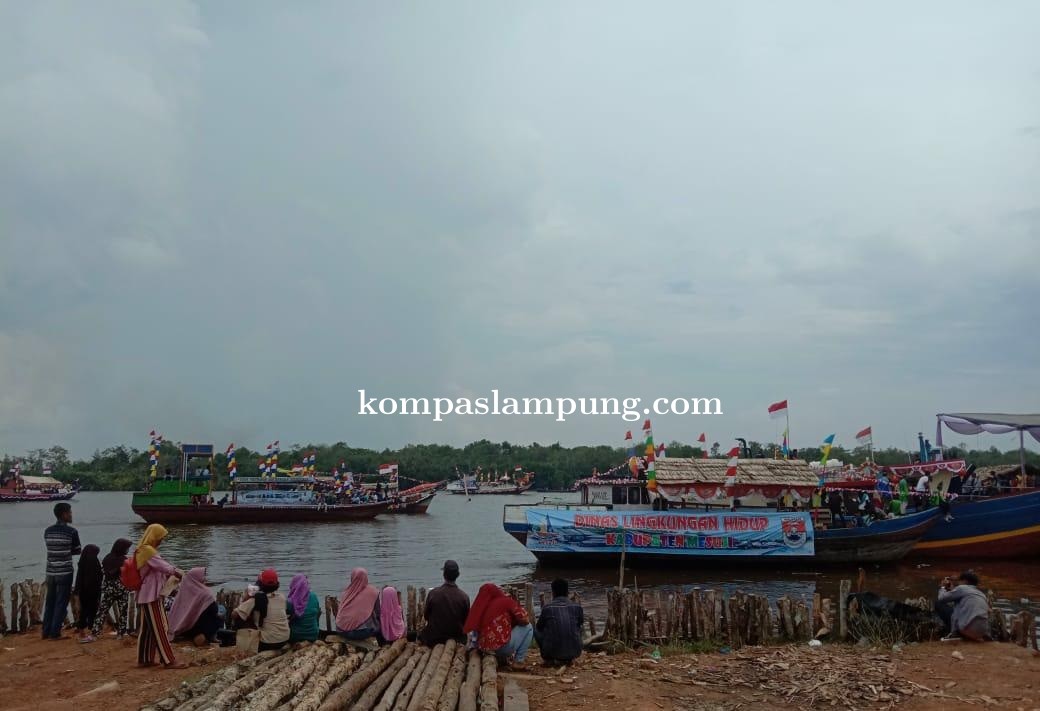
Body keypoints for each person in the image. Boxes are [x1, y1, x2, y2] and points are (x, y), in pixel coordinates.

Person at [135, 524, 186, 668]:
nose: (161, 540)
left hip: (146, 594)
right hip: (151, 595)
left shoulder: (143, 549)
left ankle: (145, 659)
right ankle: (169, 660)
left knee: (148, 629)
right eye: (161, 537)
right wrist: (178, 572)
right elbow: (165, 567)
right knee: (160, 627)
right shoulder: (148, 551)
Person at [464, 584, 533, 667]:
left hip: (483, 649)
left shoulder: (480, 608)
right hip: (501, 649)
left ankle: (502, 659)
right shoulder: (506, 601)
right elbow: (525, 620)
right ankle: (518, 661)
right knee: (528, 627)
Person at [42, 502, 82, 640]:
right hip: (65, 571)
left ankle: (45, 631)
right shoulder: (72, 531)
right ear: (64, 514)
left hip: (50, 571)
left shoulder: (47, 531)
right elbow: (77, 550)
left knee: (50, 601)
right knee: (61, 602)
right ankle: (55, 633)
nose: (71, 515)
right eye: (70, 512)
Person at [233, 569, 290, 651]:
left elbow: (234, 615)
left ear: (260, 585)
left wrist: (246, 598)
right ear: (277, 584)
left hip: (267, 643)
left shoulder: (255, 600)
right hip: (284, 639)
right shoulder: (282, 597)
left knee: (241, 618)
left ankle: (243, 645)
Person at [420, 560, 470, 646]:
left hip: (434, 639)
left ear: (444, 575)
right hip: (457, 639)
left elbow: (426, 616)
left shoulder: (433, 593)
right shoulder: (464, 597)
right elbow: (466, 622)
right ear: (457, 575)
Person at [534, 578, 584, 666]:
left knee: (535, 629)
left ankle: (548, 659)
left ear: (553, 592)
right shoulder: (577, 607)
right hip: (575, 652)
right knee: (579, 627)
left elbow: (539, 628)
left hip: (551, 652)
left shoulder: (547, 608)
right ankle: (569, 657)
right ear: (567, 592)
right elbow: (580, 624)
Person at [167, 567, 220, 645]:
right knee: (218, 619)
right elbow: (214, 609)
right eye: (203, 576)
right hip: (201, 627)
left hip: (184, 627)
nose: (204, 579)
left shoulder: (183, 592)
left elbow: (176, 611)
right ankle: (206, 636)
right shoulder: (206, 593)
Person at [92, 538, 132, 639]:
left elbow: (104, 572)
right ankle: (121, 633)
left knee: (102, 611)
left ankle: (95, 632)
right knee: (123, 611)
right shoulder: (124, 560)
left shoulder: (107, 558)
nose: (127, 550)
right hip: (121, 588)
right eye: (127, 548)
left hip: (109, 589)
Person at [938, 571, 991, 642]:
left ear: (965, 581)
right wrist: (952, 589)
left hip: (967, 629)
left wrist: (943, 587)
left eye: (959, 580)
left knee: (939, 604)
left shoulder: (962, 588)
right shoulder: (981, 594)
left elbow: (942, 598)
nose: (958, 583)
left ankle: (954, 633)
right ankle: (968, 635)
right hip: (981, 632)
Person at [336, 567, 381, 642]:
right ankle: (382, 645)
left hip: (340, 630)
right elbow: (378, 612)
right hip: (360, 633)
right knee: (379, 625)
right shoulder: (373, 591)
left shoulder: (346, 592)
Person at [74, 544, 103, 642]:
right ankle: (92, 632)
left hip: (83, 592)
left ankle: (82, 633)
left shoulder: (82, 563)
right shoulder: (94, 562)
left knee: (84, 612)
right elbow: (98, 577)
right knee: (92, 612)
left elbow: (78, 579)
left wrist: (77, 592)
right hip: (92, 591)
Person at [287, 574, 321, 643]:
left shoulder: (290, 602)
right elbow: (317, 613)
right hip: (313, 635)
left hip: (295, 636)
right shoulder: (313, 596)